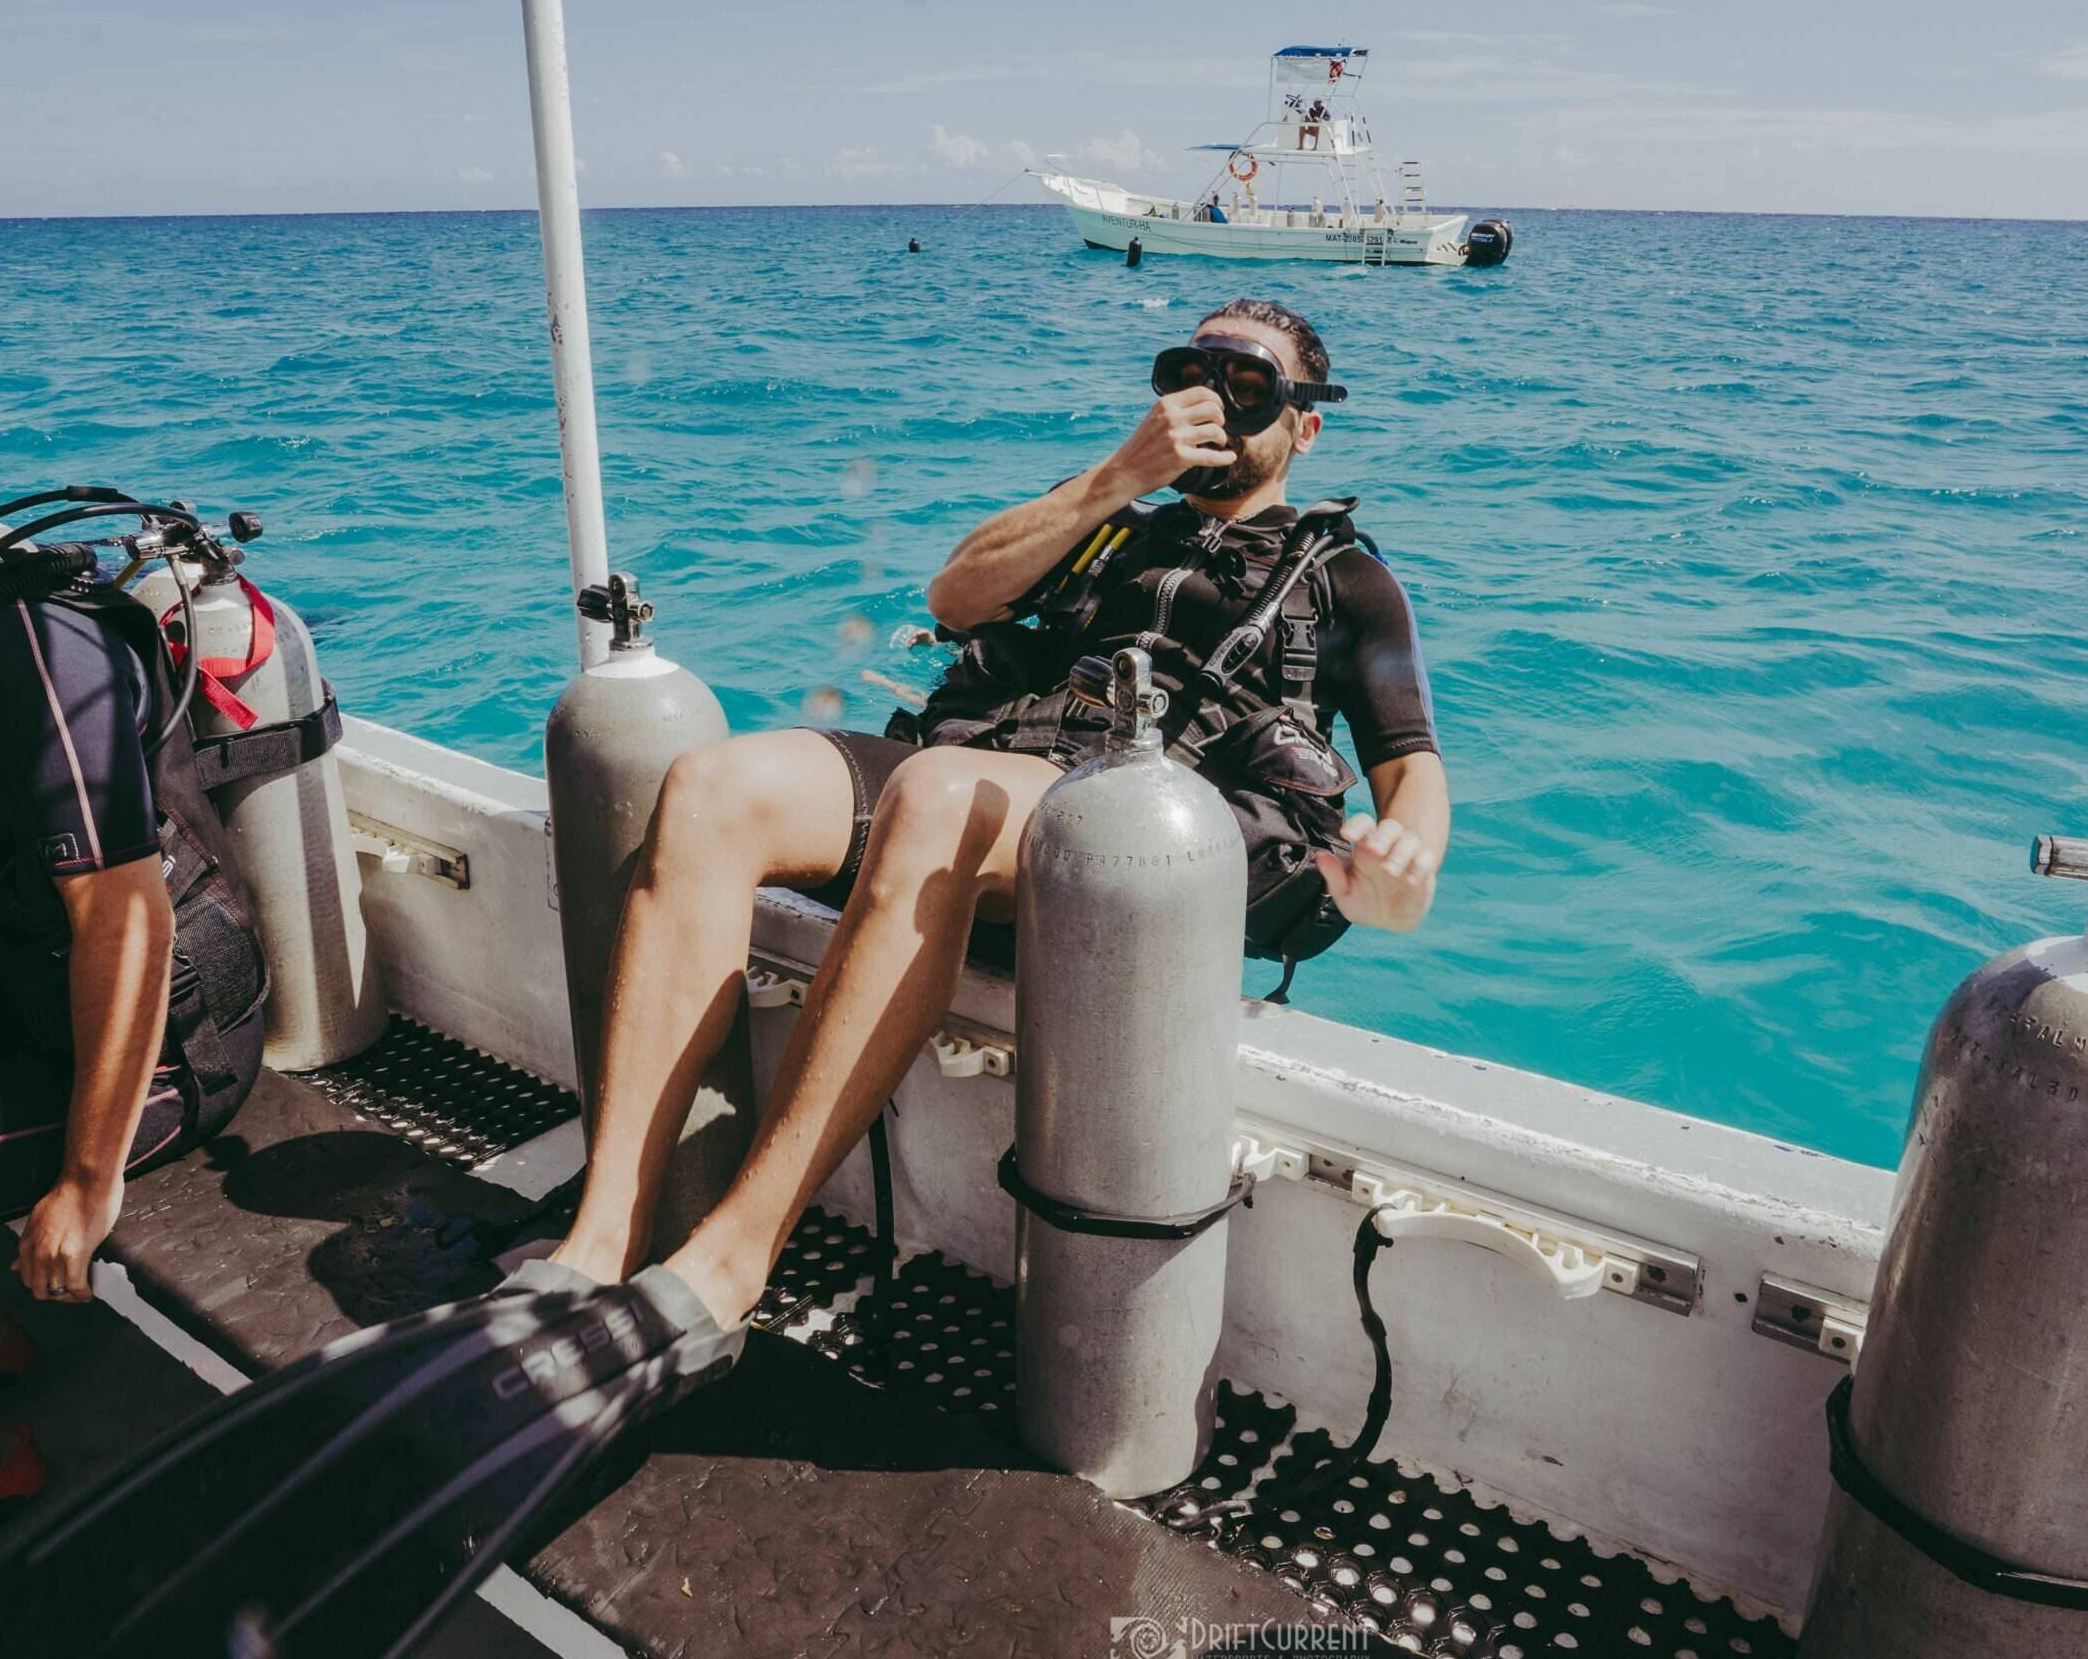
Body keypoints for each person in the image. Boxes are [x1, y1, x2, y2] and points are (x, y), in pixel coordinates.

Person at [539, 298, 1449, 1331]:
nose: (1219, 408)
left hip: (1133, 837)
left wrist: (1402, 871)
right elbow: (958, 596)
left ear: (1306, 424)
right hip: (974, 782)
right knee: (709, 790)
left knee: (936, 795)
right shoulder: (1104, 516)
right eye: (1193, 379)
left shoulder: (1349, 583)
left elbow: (1408, 763)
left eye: (1251, 389)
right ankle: (603, 1233)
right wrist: (1116, 480)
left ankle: (735, 1257)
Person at [0, 537, 269, 1533]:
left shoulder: (35, 645)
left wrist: (90, 1185)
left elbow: (128, 919)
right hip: (22, 1002)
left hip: (162, 1056)